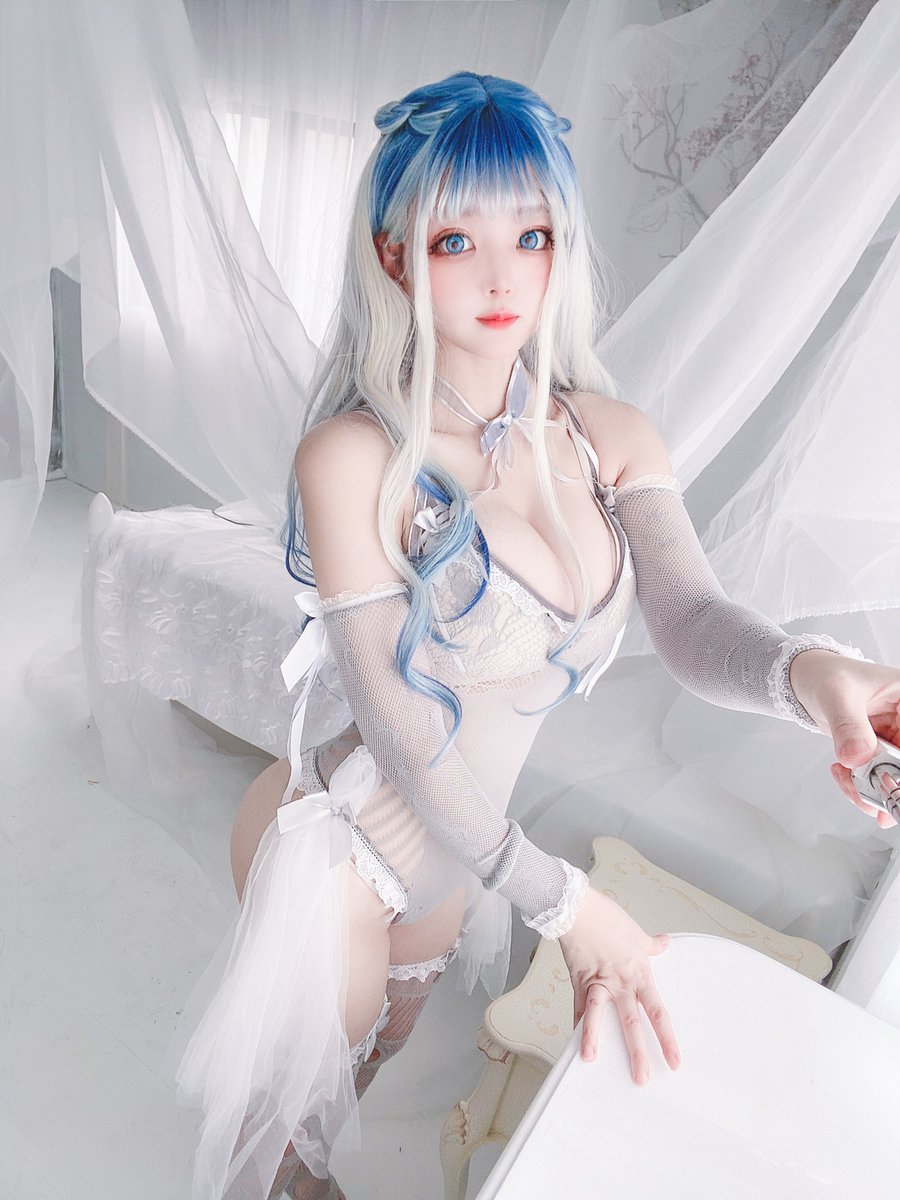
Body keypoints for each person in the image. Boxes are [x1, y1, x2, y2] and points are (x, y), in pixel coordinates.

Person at [172, 72, 900, 1200]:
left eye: (534, 233)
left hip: (458, 857)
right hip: (339, 848)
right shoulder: (355, 458)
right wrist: (567, 903)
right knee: (286, 1136)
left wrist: (816, 677)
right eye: (457, 240)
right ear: (396, 256)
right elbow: (402, 733)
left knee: (356, 1080)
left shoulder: (609, 435)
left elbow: (692, 621)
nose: (504, 274)